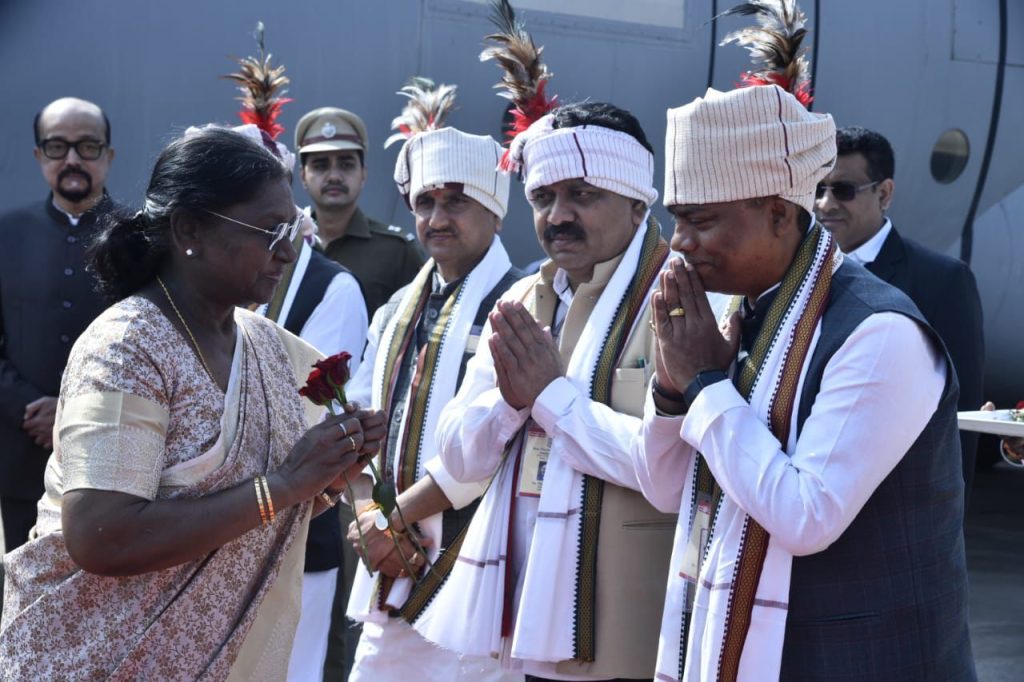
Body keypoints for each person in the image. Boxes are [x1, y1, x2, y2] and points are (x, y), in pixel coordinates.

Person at [0, 127, 385, 680]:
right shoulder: (128, 347)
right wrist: (284, 486)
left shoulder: (267, 346)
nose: (288, 249)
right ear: (190, 230)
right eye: (270, 230)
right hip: (94, 654)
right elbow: (101, 535)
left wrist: (326, 472)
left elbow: (261, 504)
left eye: (292, 228)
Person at [633, 83, 975, 681]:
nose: (680, 242)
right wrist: (671, 389)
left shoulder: (878, 331)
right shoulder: (739, 314)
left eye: (700, 220)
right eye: (676, 219)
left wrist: (706, 384)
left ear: (777, 213)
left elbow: (807, 517)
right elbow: (666, 491)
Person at [418, 99, 676, 681]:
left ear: (637, 201)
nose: (558, 216)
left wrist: (550, 397)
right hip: (527, 616)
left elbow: (671, 470)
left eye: (582, 194)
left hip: (633, 625)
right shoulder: (523, 300)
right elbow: (458, 455)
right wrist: (511, 403)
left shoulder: (682, 298)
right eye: (542, 198)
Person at [339, 76, 523, 682]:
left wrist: (391, 522)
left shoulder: (524, 304)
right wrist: (372, 519)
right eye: (425, 203)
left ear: (495, 211)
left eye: (456, 202)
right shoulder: (397, 309)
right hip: (393, 567)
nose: (437, 218)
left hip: (482, 568)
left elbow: (489, 443)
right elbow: (355, 423)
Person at [815, 126, 985, 503]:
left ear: (884, 194)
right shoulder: (798, 274)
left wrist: (946, 523)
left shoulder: (942, 281)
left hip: (897, 511)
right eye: (818, 189)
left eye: (843, 190)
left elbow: (961, 418)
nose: (825, 204)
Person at [0, 97, 120, 552]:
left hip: (112, 449)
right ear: (39, 155)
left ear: (109, 155)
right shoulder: (6, 233)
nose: (72, 159)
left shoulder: (139, 236)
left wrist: (72, 412)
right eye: (57, 147)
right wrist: (28, 407)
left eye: (88, 146)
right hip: (22, 447)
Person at [295, 107, 425, 317]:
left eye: (346, 165)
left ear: (363, 174)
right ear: (303, 176)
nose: (334, 176)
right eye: (320, 166)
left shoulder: (396, 251)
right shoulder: (288, 244)